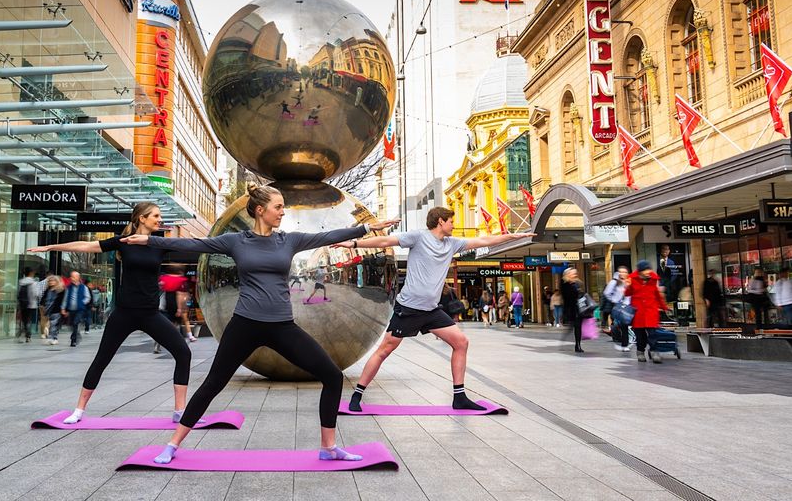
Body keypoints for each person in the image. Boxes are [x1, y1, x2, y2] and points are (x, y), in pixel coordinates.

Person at [125, 184, 398, 464]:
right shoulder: (236, 241)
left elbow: (326, 236)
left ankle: (328, 448)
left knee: (332, 376)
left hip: (282, 327)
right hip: (244, 325)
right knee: (213, 384)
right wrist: (149, 241)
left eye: (282, 207)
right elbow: (191, 244)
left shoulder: (288, 241)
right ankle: (172, 445)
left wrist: (367, 228)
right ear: (260, 210)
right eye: (278, 207)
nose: (282, 212)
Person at [343, 207, 533, 412]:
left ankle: (459, 397)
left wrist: (514, 236)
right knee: (384, 351)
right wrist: (354, 243)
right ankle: (357, 395)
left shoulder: (452, 244)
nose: (454, 224)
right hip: (408, 308)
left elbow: (484, 241)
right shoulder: (418, 237)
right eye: (451, 221)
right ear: (441, 221)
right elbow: (385, 241)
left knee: (461, 342)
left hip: (432, 310)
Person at [26, 202, 196, 425]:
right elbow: (85, 246)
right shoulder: (123, 243)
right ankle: (79, 410)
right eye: (155, 215)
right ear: (141, 219)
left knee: (183, 353)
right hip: (124, 314)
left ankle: (179, 411)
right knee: (102, 359)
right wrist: (51, 247)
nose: (159, 219)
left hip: (150, 314)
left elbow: (195, 244)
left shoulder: (159, 243)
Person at [626, 260, 669, 363]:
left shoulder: (654, 279)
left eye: (649, 269)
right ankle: (640, 352)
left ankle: (654, 352)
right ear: (640, 271)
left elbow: (657, 295)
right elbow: (627, 293)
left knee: (653, 334)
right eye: (646, 270)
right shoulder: (632, 279)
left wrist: (664, 307)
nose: (648, 271)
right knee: (640, 335)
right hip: (638, 312)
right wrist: (628, 285)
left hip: (651, 311)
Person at [559, 268, 588, 353]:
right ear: (568, 274)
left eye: (575, 273)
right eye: (572, 273)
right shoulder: (565, 284)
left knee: (577, 327)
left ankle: (577, 345)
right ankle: (568, 341)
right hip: (570, 309)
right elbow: (567, 296)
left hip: (579, 308)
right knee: (573, 327)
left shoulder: (578, 283)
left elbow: (582, 294)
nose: (574, 275)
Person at [603, 266, 630, 351]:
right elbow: (606, 293)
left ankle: (621, 339)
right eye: (620, 272)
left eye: (624, 272)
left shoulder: (629, 282)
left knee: (626, 325)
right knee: (623, 325)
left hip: (629, 306)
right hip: (619, 307)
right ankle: (624, 344)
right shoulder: (614, 282)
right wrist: (614, 300)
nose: (622, 273)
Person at [61, 272, 91, 347]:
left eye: (74, 277)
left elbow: (88, 297)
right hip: (71, 309)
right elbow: (65, 298)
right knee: (71, 324)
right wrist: (63, 308)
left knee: (75, 323)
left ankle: (73, 340)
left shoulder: (83, 287)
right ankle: (76, 335)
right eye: (71, 277)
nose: (72, 278)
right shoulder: (68, 287)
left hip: (79, 309)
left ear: (78, 278)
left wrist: (82, 303)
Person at [16, 267, 40, 343]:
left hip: (23, 304)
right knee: (28, 320)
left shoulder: (21, 281)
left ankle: (23, 333)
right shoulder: (34, 282)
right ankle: (27, 335)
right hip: (31, 304)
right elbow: (36, 294)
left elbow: (18, 293)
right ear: (31, 273)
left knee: (24, 320)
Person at [43, 275, 66, 346]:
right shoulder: (48, 290)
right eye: (50, 281)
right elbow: (43, 299)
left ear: (57, 282)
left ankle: (51, 338)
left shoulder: (60, 290)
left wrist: (63, 308)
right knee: (54, 325)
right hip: (49, 310)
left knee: (53, 324)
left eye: (53, 280)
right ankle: (54, 338)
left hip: (57, 310)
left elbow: (63, 300)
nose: (51, 282)